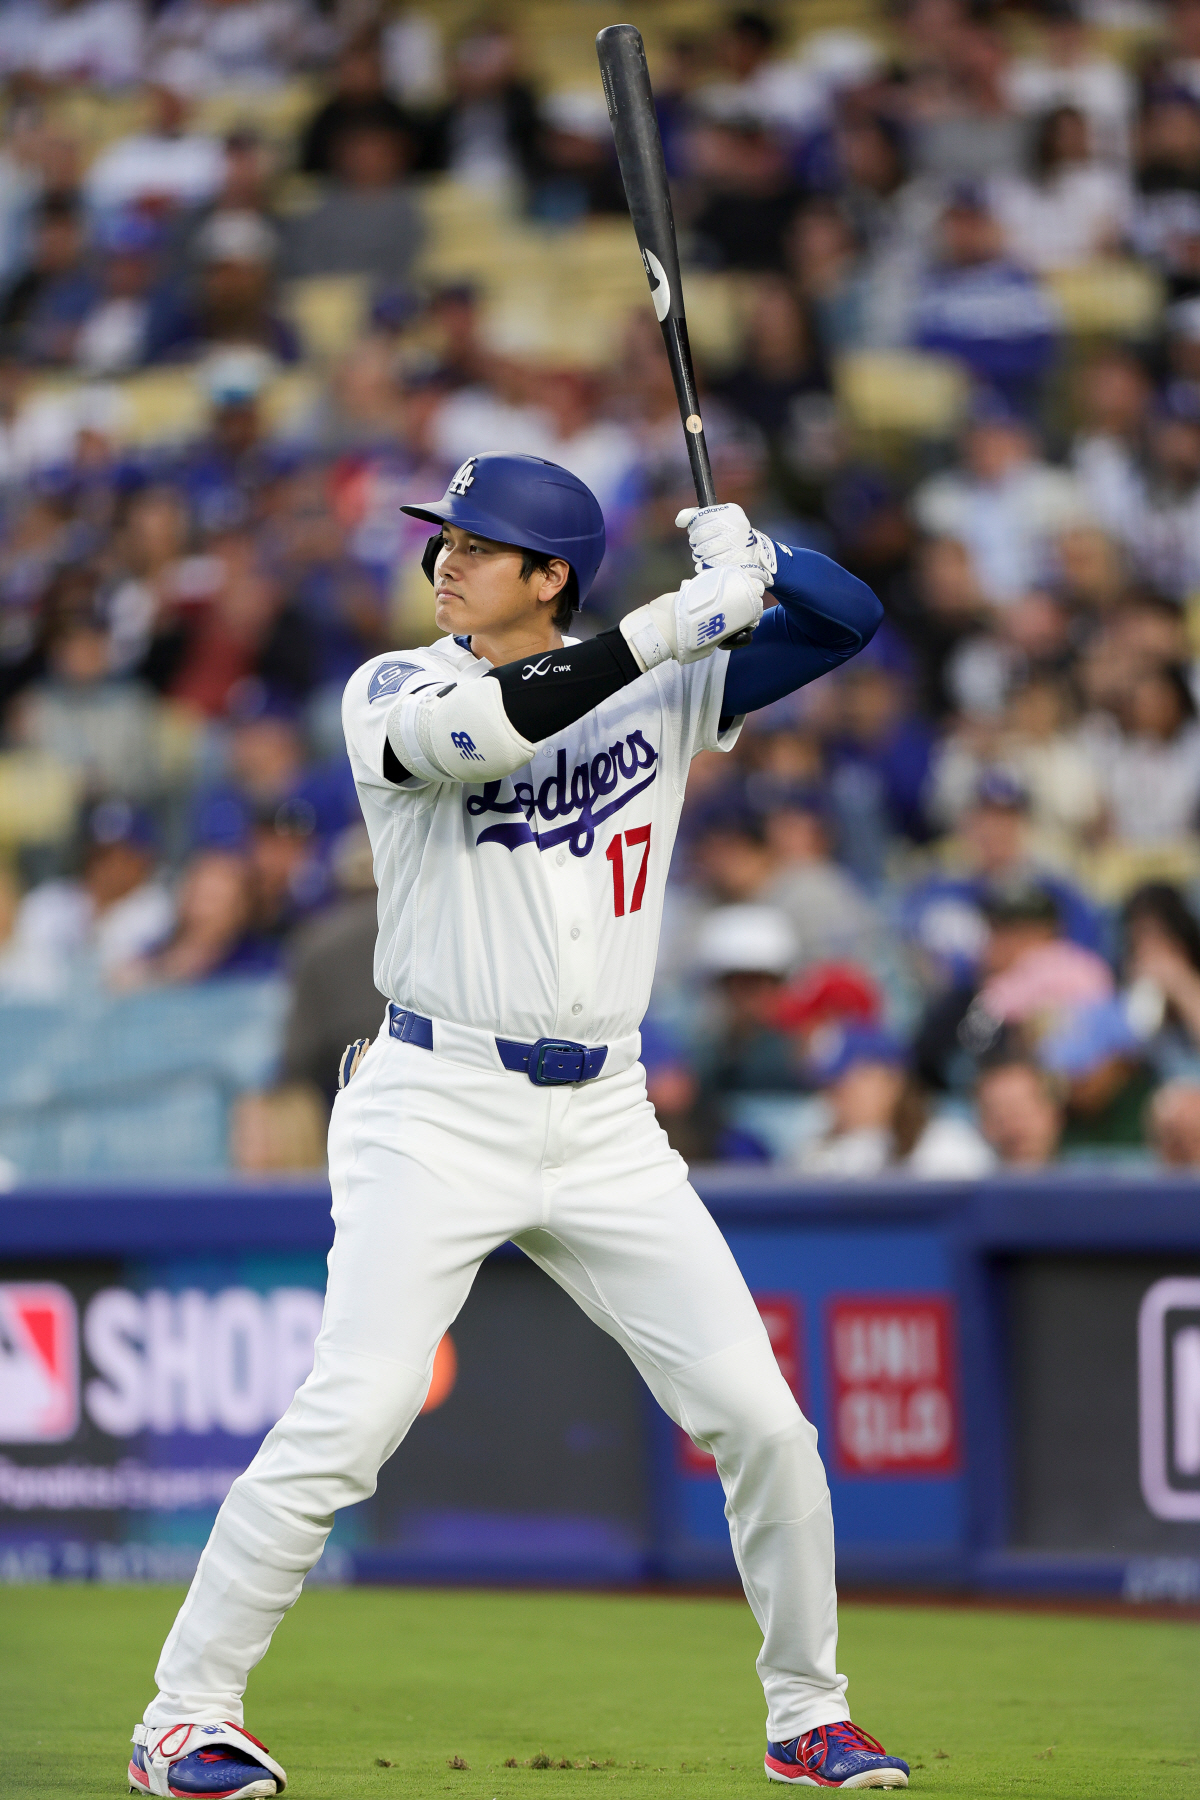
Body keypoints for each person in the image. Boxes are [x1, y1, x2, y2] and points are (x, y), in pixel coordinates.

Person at [129, 457, 910, 1795]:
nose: (446, 560)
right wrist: (675, 619)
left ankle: (810, 1716)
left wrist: (759, 554)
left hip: (606, 1114)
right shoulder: (394, 688)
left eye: (480, 545)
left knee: (765, 1423)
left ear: (549, 574)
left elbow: (851, 618)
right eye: (444, 538)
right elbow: (495, 734)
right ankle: (183, 1718)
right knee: (356, 1413)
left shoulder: (665, 686)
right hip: (436, 1102)